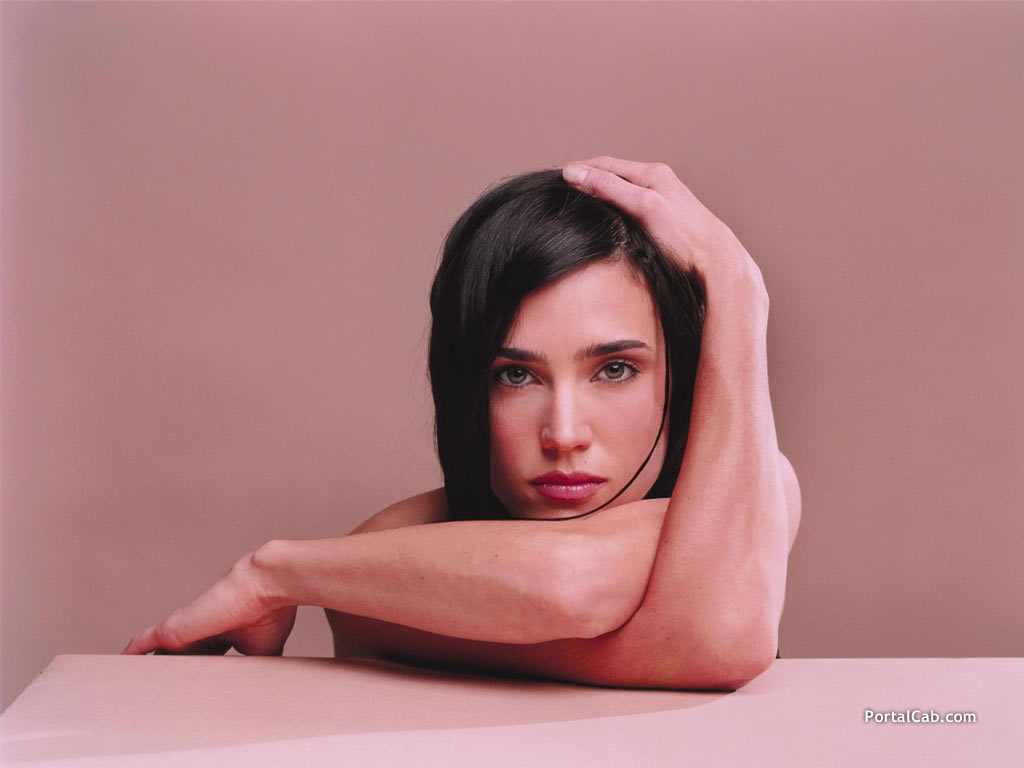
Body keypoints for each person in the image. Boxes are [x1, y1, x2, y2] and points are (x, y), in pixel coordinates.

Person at [123, 157, 801, 690]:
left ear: (681, 376)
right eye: (517, 376)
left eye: (615, 369)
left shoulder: (761, 485)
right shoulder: (388, 552)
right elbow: (574, 588)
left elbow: (699, 631)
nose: (564, 434)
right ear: (467, 391)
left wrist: (737, 287)